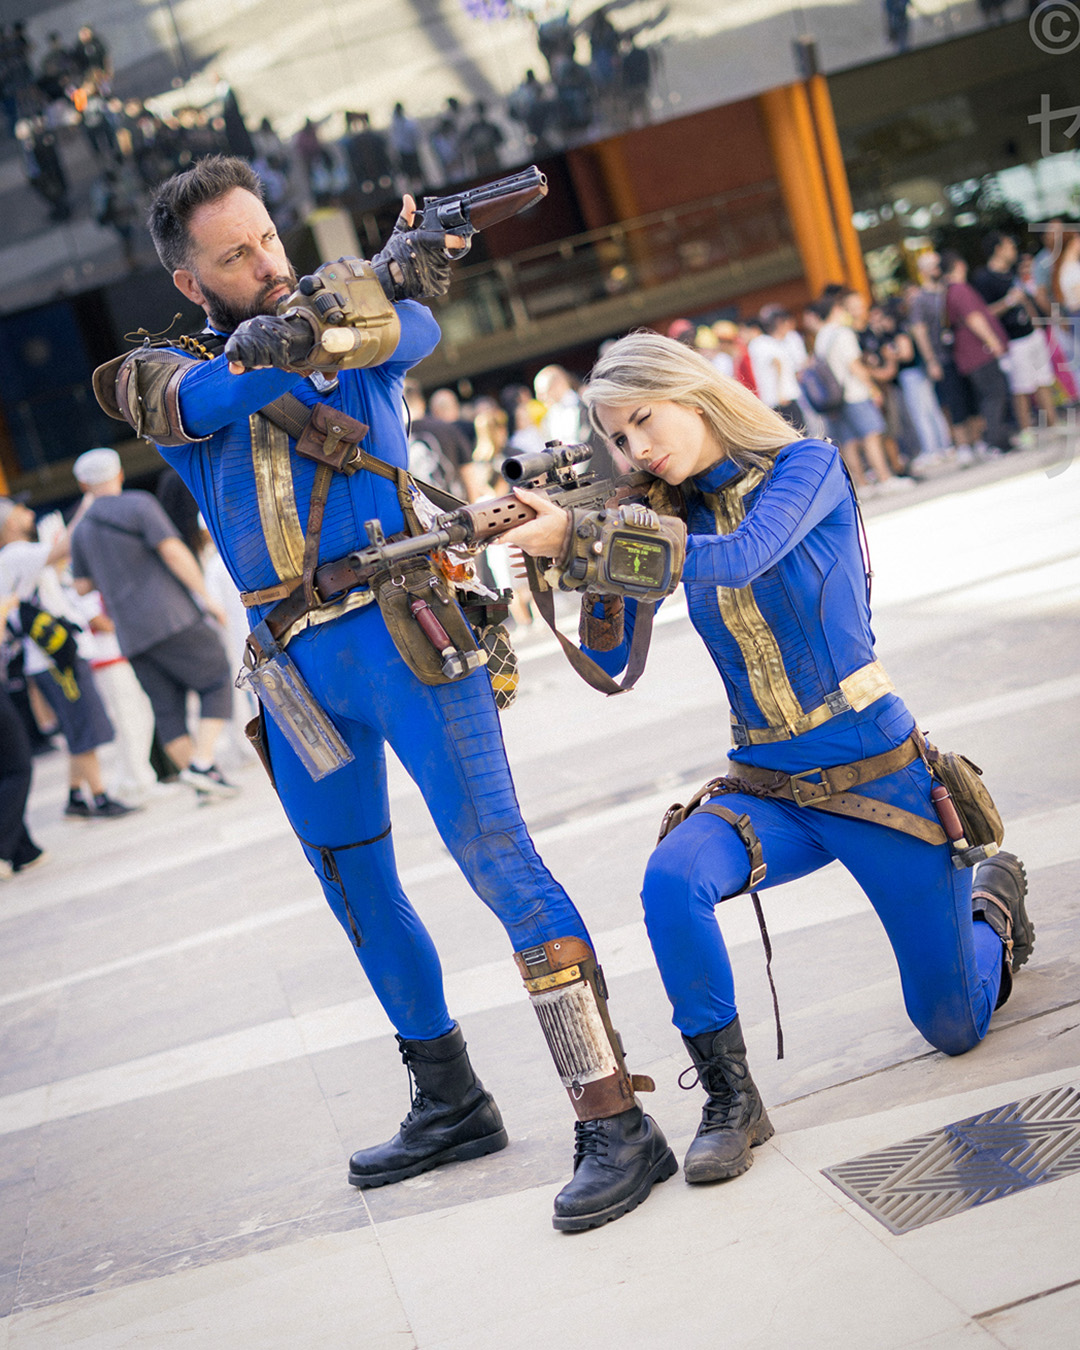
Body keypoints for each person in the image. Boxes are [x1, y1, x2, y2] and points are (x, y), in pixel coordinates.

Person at [90, 153, 674, 1232]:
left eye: (268, 237)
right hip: (294, 671)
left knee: (497, 857)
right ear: (190, 284)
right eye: (235, 256)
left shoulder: (368, 325)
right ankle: (449, 1098)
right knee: (355, 889)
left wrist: (392, 276)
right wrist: (317, 314)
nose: (266, 261)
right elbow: (207, 393)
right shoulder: (169, 377)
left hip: (407, 631)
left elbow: (414, 336)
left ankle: (614, 1117)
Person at [500, 332, 1033, 1186]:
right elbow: (605, 663)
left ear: (693, 392)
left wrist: (590, 539)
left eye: (644, 421)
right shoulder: (664, 513)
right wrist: (577, 564)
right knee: (672, 880)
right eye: (621, 440)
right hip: (770, 790)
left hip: (877, 781)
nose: (639, 448)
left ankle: (990, 906)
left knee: (953, 1028)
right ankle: (731, 1100)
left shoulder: (807, 466)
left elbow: (748, 553)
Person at [69, 448, 238, 801]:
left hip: (130, 635)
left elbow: (81, 585)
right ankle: (202, 764)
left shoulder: (81, 531)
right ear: (118, 473)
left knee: (166, 708)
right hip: (173, 618)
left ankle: (203, 783)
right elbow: (173, 552)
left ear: (83, 484)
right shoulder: (138, 504)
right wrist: (207, 599)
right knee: (218, 677)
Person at [0, 496, 134, 821]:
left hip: (52, 657)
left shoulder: (18, 556)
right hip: (55, 659)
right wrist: (88, 505)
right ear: (8, 522)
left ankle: (76, 795)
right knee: (83, 725)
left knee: (79, 724)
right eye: (21, 509)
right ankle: (100, 797)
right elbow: (61, 552)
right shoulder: (15, 554)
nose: (29, 513)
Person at [812, 291, 905, 493]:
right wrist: (872, 388)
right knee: (871, 435)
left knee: (848, 442)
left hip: (836, 397)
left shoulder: (822, 336)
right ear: (836, 310)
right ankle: (884, 477)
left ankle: (860, 484)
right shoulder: (842, 333)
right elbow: (854, 365)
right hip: (854, 392)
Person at [972, 233, 1058, 449]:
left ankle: (1053, 423)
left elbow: (1024, 298)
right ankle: (1026, 430)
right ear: (998, 249)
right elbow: (985, 313)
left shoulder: (1010, 273)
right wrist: (1009, 302)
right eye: (1009, 245)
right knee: (1021, 387)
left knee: (1043, 380)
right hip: (1013, 340)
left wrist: (1035, 322)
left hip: (1031, 334)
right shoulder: (984, 279)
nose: (1013, 250)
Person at [941, 251, 1013, 455]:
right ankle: (995, 440)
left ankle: (997, 438)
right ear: (959, 265)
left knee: (990, 395)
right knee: (994, 394)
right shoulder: (959, 290)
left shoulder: (949, 292)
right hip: (978, 353)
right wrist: (993, 341)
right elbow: (974, 318)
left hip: (969, 356)